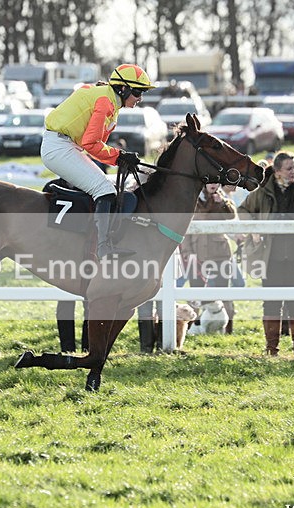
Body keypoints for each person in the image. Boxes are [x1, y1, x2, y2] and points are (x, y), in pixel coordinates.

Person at [41, 63, 155, 258]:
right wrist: (120, 157)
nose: (139, 98)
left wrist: (120, 158)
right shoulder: (105, 102)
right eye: (137, 92)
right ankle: (103, 248)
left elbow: (93, 146)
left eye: (142, 93)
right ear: (123, 88)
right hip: (59, 148)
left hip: (65, 146)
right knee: (105, 190)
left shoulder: (109, 101)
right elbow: (91, 143)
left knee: (102, 185)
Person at [239, 151, 294, 354]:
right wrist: (254, 229)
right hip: (270, 257)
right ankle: (271, 348)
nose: (293, 172)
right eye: (289, 168)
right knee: (271, 302)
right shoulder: (263, 191)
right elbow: (242, 211)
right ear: (277, 172)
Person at [181, 182, 237, 334]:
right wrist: (186, 252)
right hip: (196, 250)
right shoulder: (193, 198)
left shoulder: (222, 198)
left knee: (223, 290)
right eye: (210, 182)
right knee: (196, 291)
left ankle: (227, 328)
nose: (213, 185)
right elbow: (185, 228)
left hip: (219, 251)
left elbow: (231, 215)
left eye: (216, 182)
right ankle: (193, 327)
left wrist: (223, 203)